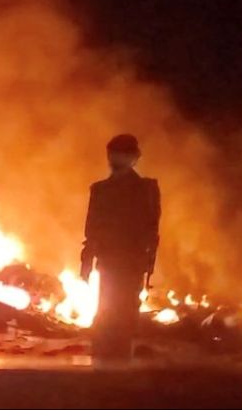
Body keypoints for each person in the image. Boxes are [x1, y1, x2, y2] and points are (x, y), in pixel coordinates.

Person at [80, 134, 161, 360]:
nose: (114, 159)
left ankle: (118, 364)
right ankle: (106, 363)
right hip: (109, 262)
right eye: (113, 154)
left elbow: (152, 229)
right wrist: (87, 261)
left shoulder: (146, 189)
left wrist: (148, 262)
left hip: (131, 263)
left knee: (124, 316)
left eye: (121, 154)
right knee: (108, 314)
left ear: (133, 158)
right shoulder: (100, 190)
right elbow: (92, 230)